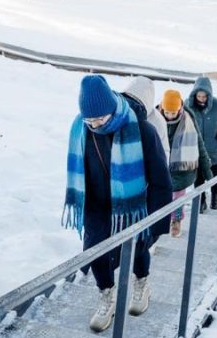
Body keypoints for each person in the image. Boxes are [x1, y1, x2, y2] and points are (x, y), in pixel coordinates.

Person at [63, 75, 172, 332]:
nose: (95, 125)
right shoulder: (81, 129)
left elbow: (160, 180)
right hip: (96, 205)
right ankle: (106, 294)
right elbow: (79, 168)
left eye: (100, 119)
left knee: (136, 247)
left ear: (112, 107)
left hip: (133, 207)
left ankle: (142, 281)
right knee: (94, 251)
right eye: (89, 120)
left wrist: (155, 225)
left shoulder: (143, 130)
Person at [160, 90, 213, 237]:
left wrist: (208, 171)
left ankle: (176, 221)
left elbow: (199, 144)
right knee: (161, 197)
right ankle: (161, 222)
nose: (170, 115)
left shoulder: (188, 119)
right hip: (162, 166)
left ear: (179, 108)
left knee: (177, 196)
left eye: (173, 112)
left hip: (181, 169)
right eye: (167, 112)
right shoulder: (155, 118)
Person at [186, 77, 217, 212]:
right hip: (196, 151)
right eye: (198, 96)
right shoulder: (188, 106)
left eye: (204, 96)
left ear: (209, 95)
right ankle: (201, 200)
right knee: (198, 177)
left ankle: (214, 196)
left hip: (214, 150)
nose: (201, 99)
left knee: (214, 175)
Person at [123, 76, 170, 162]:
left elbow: (163, 153)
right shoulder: (121, 111)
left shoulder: (157, 122)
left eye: (136, 102)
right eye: (129, 98)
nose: (132, 106)